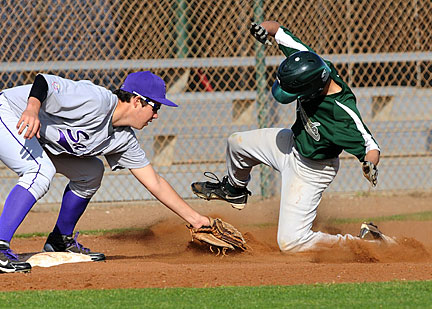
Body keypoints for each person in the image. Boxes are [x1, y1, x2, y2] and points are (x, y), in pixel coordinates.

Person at [191, 21, 384, 252]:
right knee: (236, 143)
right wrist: (263, 28)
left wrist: (369, 164)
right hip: (290, 143)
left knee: (290, 242)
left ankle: (364, 243)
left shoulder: (341, 113)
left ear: (312, 89)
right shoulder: (307, 61)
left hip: (313, 169)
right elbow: (277, 30)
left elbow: (371, 145)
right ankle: (235, 190)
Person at [0, 71, 212, 273]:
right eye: (155, 107)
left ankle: (59, 240)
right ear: (137, 101)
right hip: (9, 112)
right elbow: (43, 82)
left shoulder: (124, 139)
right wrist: (32, 109)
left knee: (91, 172)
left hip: (38, 136)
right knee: (39, 171)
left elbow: (154, 181)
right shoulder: (96, 100)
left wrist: (196, 219)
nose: (156, 115)